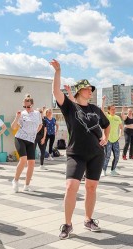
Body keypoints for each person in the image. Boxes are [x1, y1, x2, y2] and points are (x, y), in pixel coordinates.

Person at [50, 59, 110, 239]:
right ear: (78, 91)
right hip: (76, 153)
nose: (90, 91)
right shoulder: (70, 107)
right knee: (71, 187)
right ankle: (67, 224)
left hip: (96, 153)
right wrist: (58, 71)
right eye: (87, 88)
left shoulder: (96, 109)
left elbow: (106, 125)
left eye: (91, 89)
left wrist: (106, 137)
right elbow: (55, 91)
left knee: (91, 187)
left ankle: (88, 219)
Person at [11, 95, 42, 192]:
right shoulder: (22, 114)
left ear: (32, 105)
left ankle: (27, 185)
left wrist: (34, 133)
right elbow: (13, 127)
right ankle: (15, 181)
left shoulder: (37, 113)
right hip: (20, 138)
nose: (26, 108)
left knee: (32, 163)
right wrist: (17, 117)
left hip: (31, 140)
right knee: (23, 159)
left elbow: (40, 125)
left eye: (28, 106)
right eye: (25, 107)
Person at [101, 95, 122, 176]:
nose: (114, 110)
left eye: (115, 109)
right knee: (107, 156)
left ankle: (113, 170)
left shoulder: (117, 117)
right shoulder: (107, 116)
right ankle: (104, 170)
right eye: (112, 109)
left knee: (117, 156)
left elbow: (121, 127)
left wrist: (120, 133)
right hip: (108, 139)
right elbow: (102, 110)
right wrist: (103, 101)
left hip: (115, 140)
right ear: (109, 110)